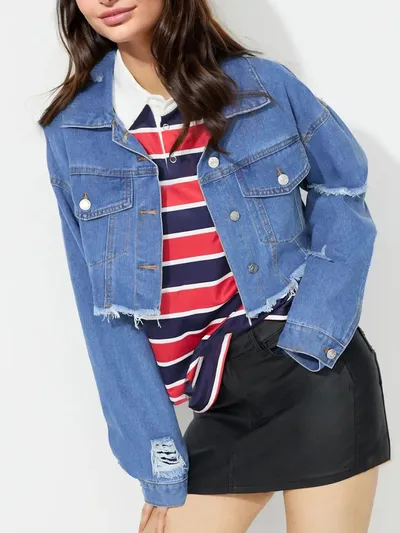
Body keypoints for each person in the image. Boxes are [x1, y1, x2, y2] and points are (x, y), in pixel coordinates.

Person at [38, 1, 391, 532]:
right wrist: (157, 459)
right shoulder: (74, 130)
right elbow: (101, 309)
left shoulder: (262, 87)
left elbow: (342, 187)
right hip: (215, 398)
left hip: (310, 368)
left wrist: (314, 327)